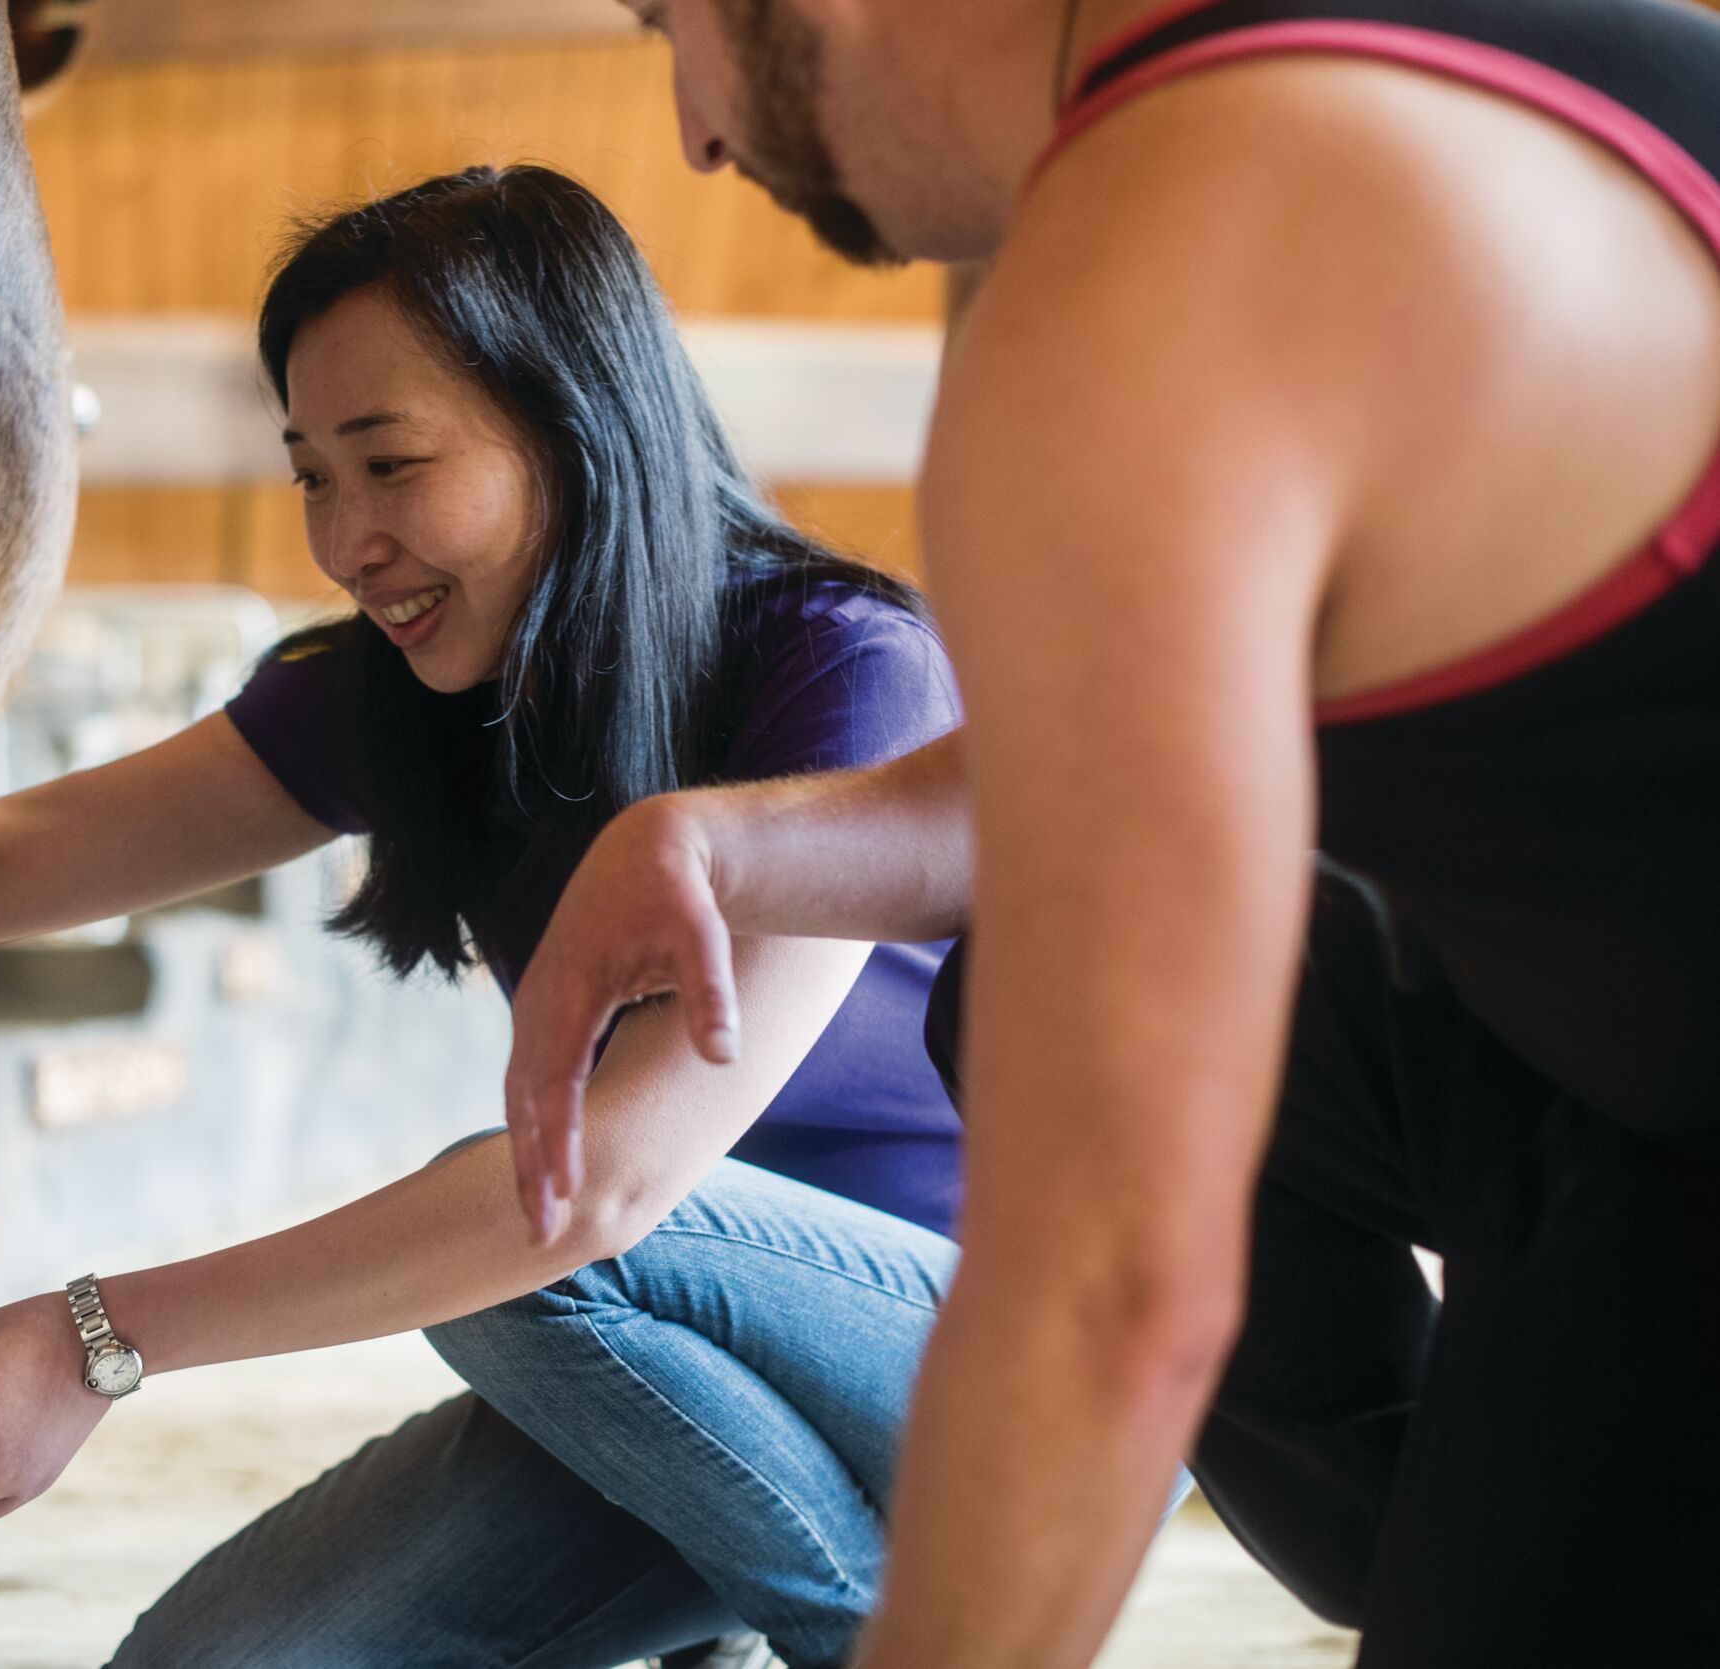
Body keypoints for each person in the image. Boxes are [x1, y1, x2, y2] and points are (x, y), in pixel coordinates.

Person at [504, 1, 1720, 1666]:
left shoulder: (1142, 271)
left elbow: (1111, 1294)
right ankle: (1470, 1536)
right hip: (1625, 1015)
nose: (699, 128)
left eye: (670, 24)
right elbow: (1122, 768)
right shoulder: (1424, 59)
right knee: (1028, 987)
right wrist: (738, 849)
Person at [0, 164, 977, 1667]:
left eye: (390, 465)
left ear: (573, 429)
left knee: (530, 1224)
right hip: (676, 1371)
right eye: (312, 475)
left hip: (969, 1352)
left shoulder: (845, 668)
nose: (345, 541)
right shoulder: (403, 692)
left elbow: (606, 1192)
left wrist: (94, 1335)